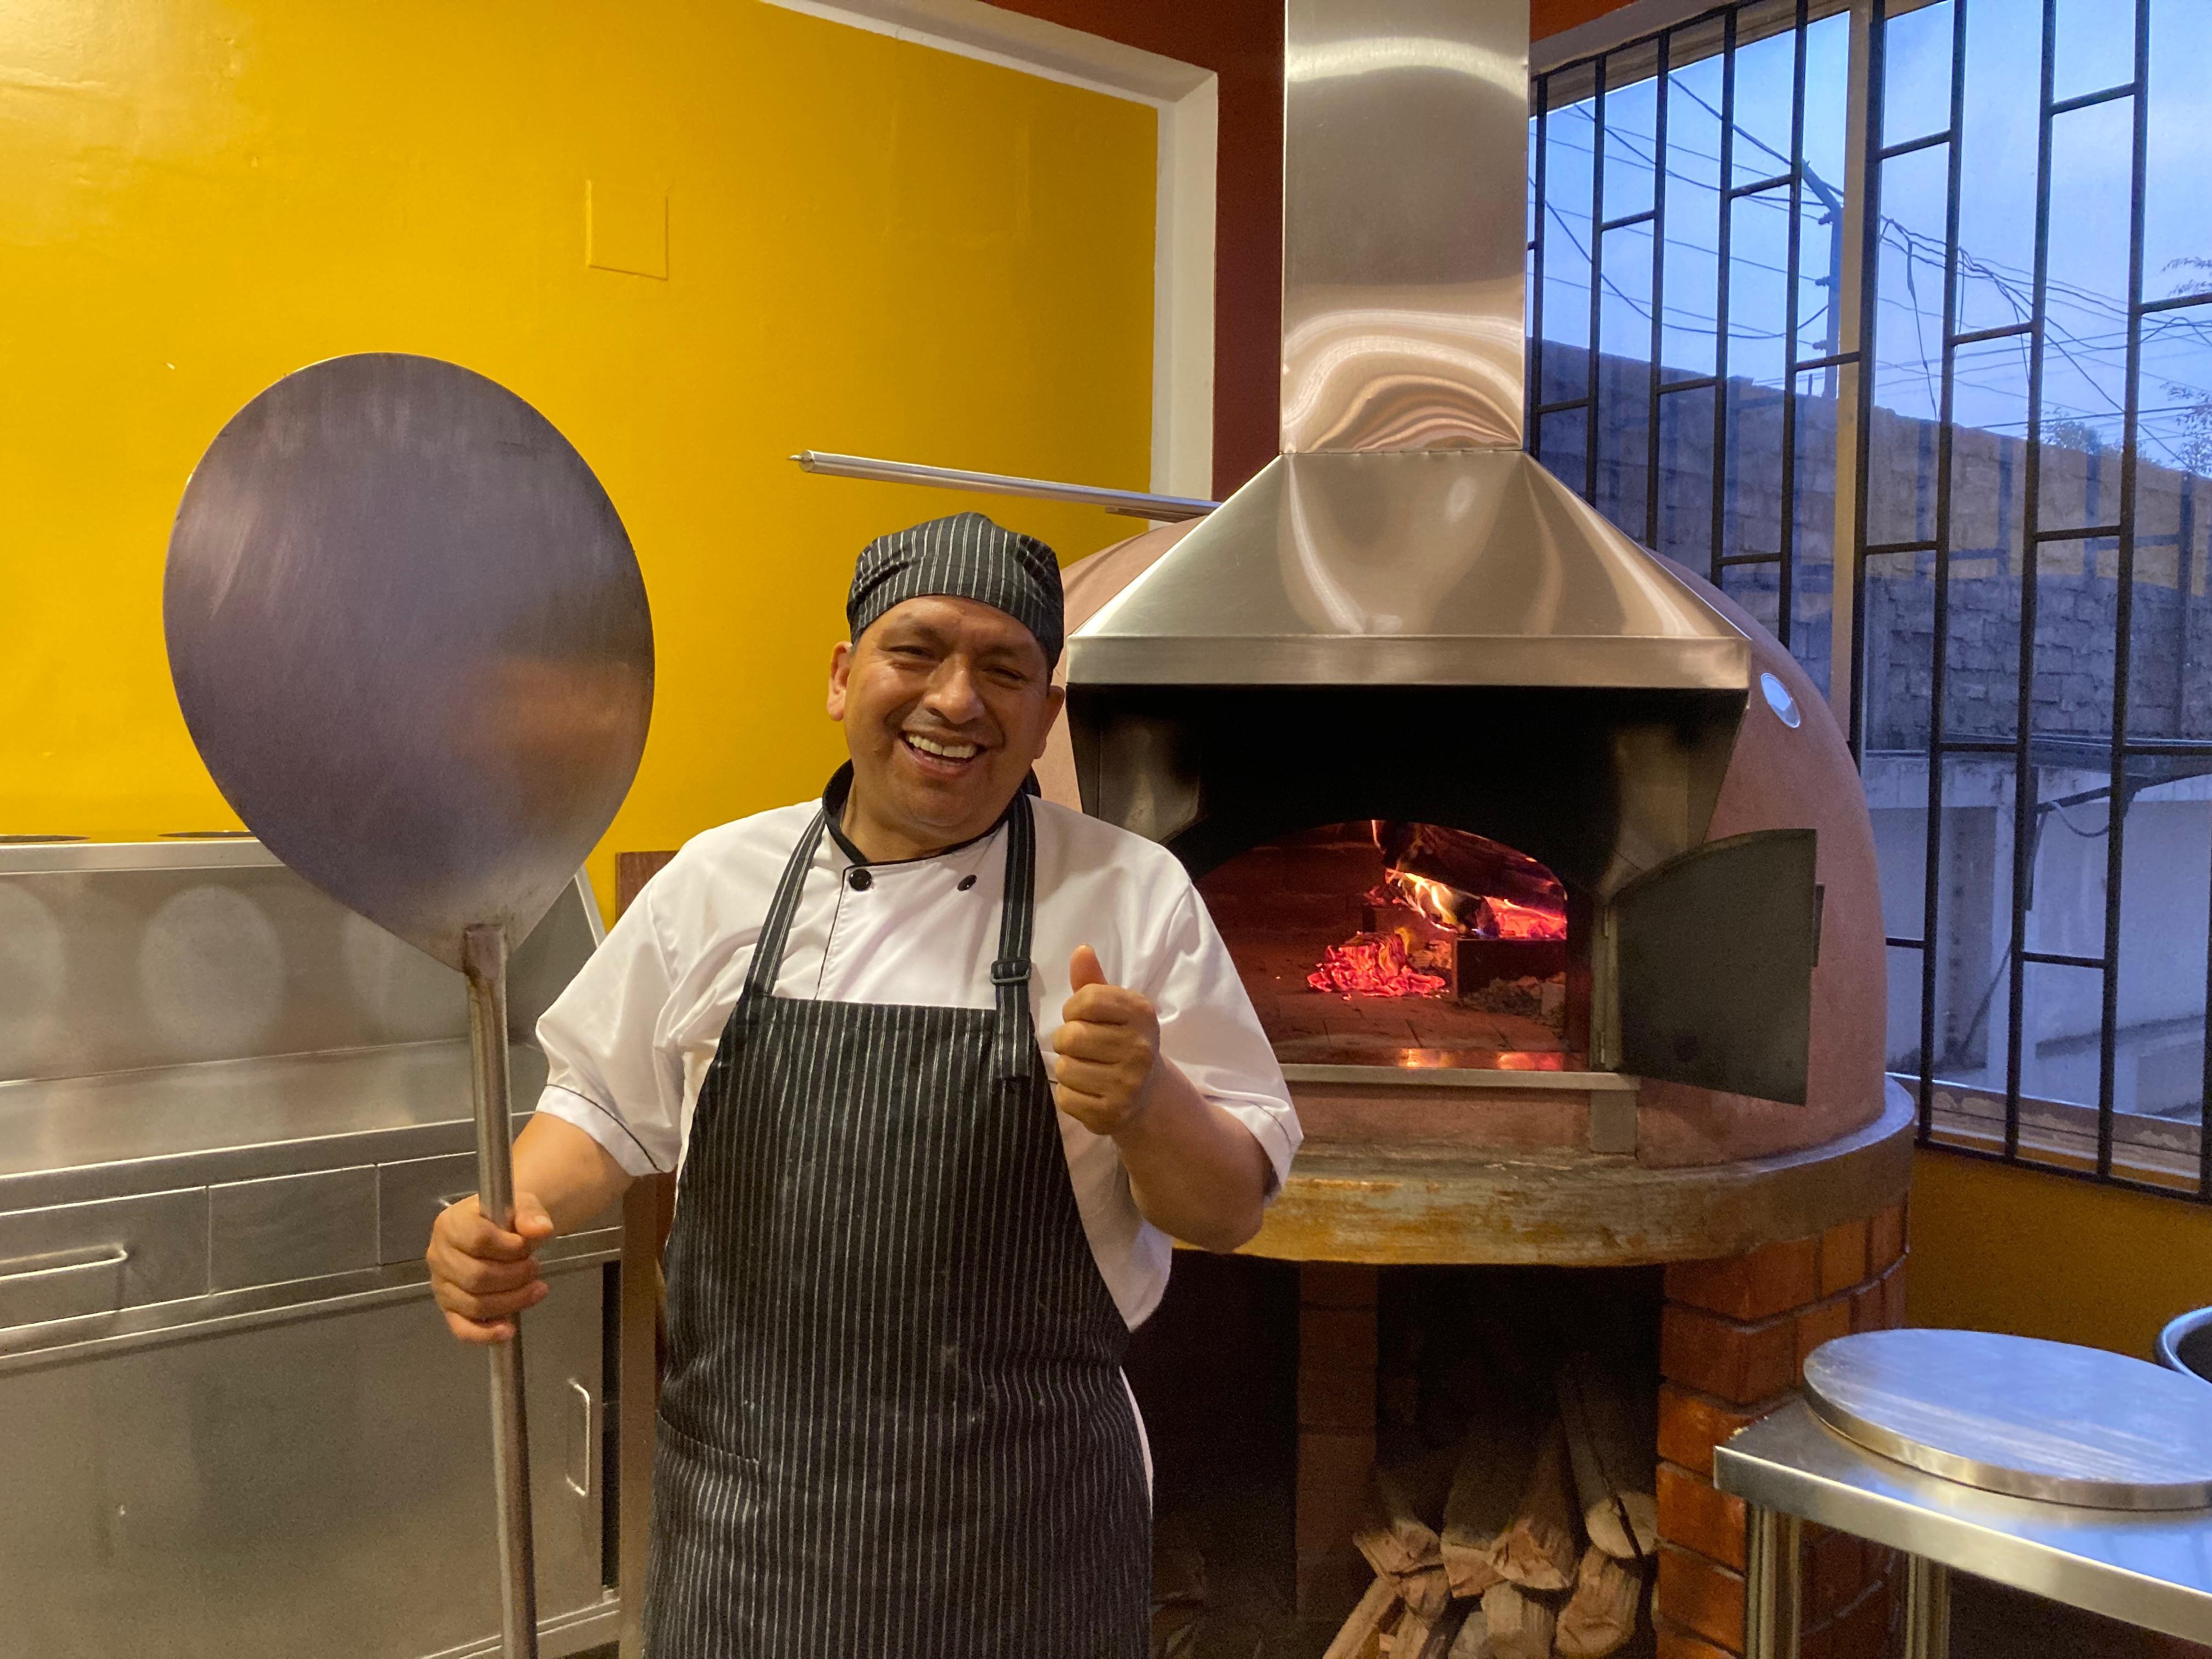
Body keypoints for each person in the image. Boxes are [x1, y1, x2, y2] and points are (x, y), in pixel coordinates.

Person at [425, 511, 1299, 1658]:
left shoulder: (1134, 900)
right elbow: (599, 1104)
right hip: (754, 1531)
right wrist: (504, 1218)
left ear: (1048, 714)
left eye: (1005, 670)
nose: (955, 699)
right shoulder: (718, 883)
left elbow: (1229, 1209)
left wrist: (1150, 1107)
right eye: (917, 651)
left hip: (1024, 1533)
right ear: (843, 678)